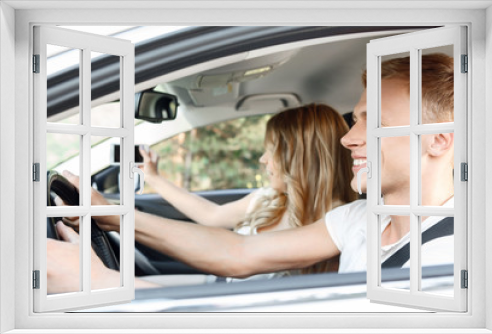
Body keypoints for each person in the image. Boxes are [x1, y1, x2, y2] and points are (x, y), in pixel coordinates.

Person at [48, 53, 455, 292]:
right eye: (355, 120)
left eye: (373, 121)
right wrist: (113, 214)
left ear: (438, 139)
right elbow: (237, 254)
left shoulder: (444, 261)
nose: (350, 139)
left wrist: (103, 285)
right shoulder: (358, 219)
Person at [47, 103, 357, 293]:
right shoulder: (268, 198)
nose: (264, 160)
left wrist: (115, 217)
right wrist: (153, 180)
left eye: (272, 150)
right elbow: (211, 218)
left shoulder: (340, 227)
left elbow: (243, 260)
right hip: (222, 287)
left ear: (299, 157)